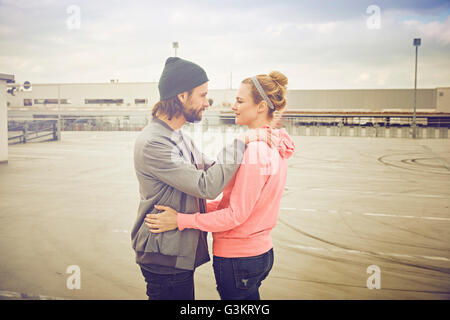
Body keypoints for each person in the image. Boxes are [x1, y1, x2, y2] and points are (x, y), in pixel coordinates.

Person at [131, 57, 274, 300]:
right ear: (181, 96)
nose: (207, 103)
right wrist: (240, 142)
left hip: (175, 252)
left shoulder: (177, 136)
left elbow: (215, 170)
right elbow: (206, 185)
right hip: (164, 257)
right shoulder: (155, 142)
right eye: (202, 95)